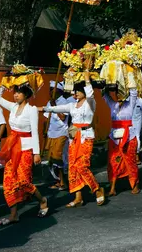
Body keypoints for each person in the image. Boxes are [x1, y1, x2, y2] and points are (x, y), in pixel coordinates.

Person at [41, 72, 105, 207]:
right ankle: (78, 197)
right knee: (73, 167)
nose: (75, 94)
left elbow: (91, 93)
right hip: (73, 138)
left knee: (82, 166)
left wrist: (87, 80)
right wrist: (42, 108)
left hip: (86, 137)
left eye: (77, 91)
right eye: (74, 91)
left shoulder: (90, 103)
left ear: (84, 92)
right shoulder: (72, 106)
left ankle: (97, 189)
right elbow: (55, 108)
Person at [0, 84, 48, 225]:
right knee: (8, 181)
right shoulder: (13, 107)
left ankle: (42, 200)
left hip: (26, 149)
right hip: (12, 148)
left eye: (19, 93)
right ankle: (13, 214)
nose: (15, 95)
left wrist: (36, 153)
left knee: (23, 181)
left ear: (26, 94)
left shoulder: (32, 110)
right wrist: (3, 85)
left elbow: (35, 132)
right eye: (15, 92)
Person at [103, 85, 140, 196]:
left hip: (129, 137)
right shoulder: (112, 104)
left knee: (130, 161)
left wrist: (130, 76)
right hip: (114, 138)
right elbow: (104, 94)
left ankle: (135, 184)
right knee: (113, 162)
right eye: (117, 93)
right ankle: (113, 187)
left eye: (121, 92)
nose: (119, 95)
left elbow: (134, 92)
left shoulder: (130, 104)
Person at [42, 81, 68, 190]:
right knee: (51, 159)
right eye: (50, 89)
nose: (50, 91)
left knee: (58, 158)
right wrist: (44, 130)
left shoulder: (64, 102)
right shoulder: (50, 102)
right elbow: (46, 118)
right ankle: (57, 180)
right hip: (51, 133)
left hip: (61, 133)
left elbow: (63, 117)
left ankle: (63, 181)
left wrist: (54, 106)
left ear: (59, 91)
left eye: (53, 89)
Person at [132, 97, 142, 165]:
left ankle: (136, 155)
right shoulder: (126, 101)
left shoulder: (140, 101)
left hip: (137, 122)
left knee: (137, 138)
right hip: (128, 123)